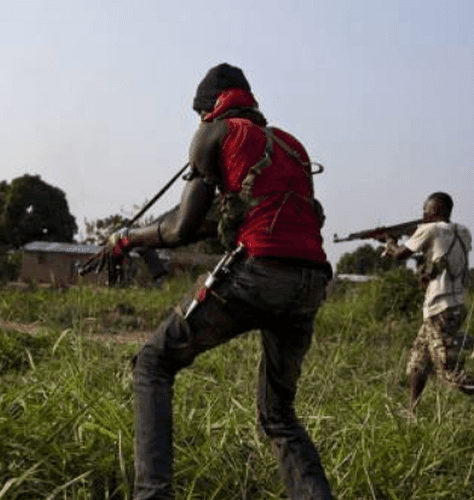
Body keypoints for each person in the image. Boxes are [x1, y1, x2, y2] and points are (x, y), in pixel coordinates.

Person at [82, 63, 334, 499]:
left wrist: (124, 238)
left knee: (153, 363)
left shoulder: (213, 133)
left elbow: (181, 230)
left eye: (199, 115)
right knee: (279, 416)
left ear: (207, 110)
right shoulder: (291, 145)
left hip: (259, 271)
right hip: (310, 281)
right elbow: (219, 221)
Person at [380, 192, 474, 440]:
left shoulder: (431, 229)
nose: (422, 215)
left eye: (425, 210)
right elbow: (438, 257)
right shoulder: (463, 231)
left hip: (441, 307)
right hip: (449, 305)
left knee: (447, 371)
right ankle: (411, 412)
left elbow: (400, 255)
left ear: (434, 209)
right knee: (418, 361)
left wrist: (389, 241)